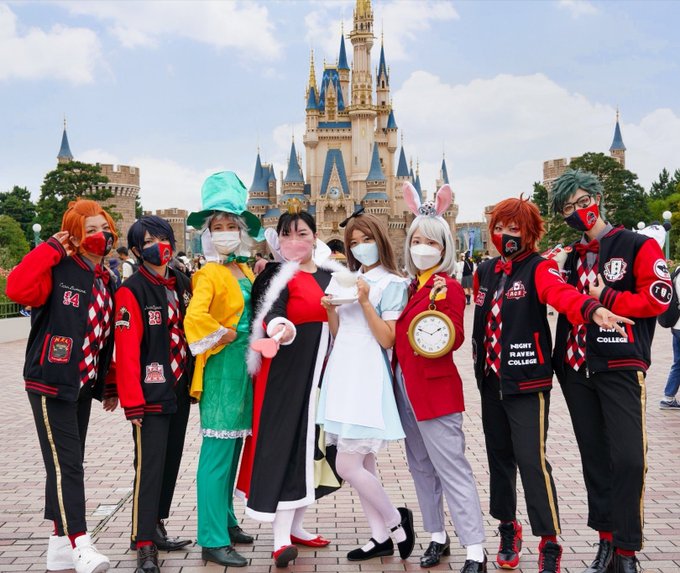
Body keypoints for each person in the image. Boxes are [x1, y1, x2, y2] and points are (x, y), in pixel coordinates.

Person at [471, 196, 631, 573]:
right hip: (490, 379)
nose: (506, 235)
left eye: (514, 229)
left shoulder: (539, 268)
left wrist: (592, 310)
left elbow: (562, 295)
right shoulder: (485, 271)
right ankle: (508, 527)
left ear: (529, 232)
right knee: (499, 459)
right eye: (499, 228)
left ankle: (549, 540)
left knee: (531, 461)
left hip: (528, 380)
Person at [550, 170, 671, 573]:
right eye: (568, 207)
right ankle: (606, 542)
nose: (577, 210)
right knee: (595, 460)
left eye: (583, 201)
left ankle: (627, 549)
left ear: (598, 198)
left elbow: (658, 298)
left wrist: (609, 297)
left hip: (620, 364)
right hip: (576, 367)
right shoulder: (568, 256)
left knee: (629, 458)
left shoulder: (637, 245)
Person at [6, 199, 119, 573]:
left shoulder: (106, 279)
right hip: (50, 382)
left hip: (81, 384)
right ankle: (80, 544)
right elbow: (17, 288)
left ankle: (58, 545)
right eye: (89, 230)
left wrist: (108, 383)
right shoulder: (59, 269)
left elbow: (101, 337)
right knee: (67, 465)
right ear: (74, 236)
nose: (99, 236)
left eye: (103, 228)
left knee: (67, 463)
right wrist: (51, 248)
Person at [236, 205, 343, 568]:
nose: (294, 240)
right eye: (286, 234)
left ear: (315, 237)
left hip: (322, 375)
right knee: (284, 445)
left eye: (302, 233)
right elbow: (270, 312)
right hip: (285, 375)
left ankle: (297, 526)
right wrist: (280, 327)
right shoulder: (277, 276)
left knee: (311, 448)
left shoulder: (332, 276)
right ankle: (280, 539)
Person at [393, 183, 486, 572]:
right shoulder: (410, 286)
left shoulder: (444, 286)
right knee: (420, 466)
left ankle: (475, 549)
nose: (422, 247)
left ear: (444, 246)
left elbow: (455, 335)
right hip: (405, 390)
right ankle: (436, 535)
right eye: (416, 240)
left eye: (430, 241)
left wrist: (436, 324)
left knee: (451, 468)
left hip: (435, 392)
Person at [318, 210, 415, 563]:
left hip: (366, 375)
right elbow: (338, 333)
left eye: (367, 240)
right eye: (354, 242)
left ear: (380, 240)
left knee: (347, 466)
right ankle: (380, 537)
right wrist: (330, 309)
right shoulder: (345, 278)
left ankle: (396, 521)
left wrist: (364, 301)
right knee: (364, 466)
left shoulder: (393, 284)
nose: (361, 247)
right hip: (342, 371)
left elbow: (387, 338)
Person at [184, 172, 262, 567]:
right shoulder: (210, 273)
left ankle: (226, 521)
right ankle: (211, 538)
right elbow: (194, 318)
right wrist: (224, 334)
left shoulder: (243, 270)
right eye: (218, 226)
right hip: (220, 371)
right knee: (217, 454)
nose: (226, 232)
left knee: (232, 451)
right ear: (208, 233)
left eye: (232, 225)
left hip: (244, 371)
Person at [113, 216, 193, 573]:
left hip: (179, 388)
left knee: (171, 460)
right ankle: (143, 541)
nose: (158, 245)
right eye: (147, 241)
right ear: (135, 250)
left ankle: (157, 526)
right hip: (149, 393)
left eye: (162, 238)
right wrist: (132, 402)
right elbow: (127, 350)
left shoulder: (182, 282)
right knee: (149, 467)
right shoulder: (131, 290)